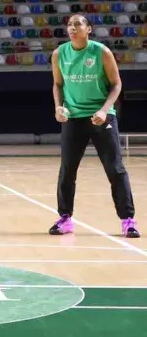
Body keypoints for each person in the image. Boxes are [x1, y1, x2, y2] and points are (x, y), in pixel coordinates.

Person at [50, 14, 139, 238]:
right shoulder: (59, 54)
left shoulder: (101, 52)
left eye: (78, 24)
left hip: (101, 116)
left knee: (115, 169)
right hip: (74, 117)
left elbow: (117, 84)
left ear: (88, 29)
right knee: (67, 170)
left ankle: (128, 220)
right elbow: (58, 84)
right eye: (69, 25)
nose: (72, 28)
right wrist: (58, 107)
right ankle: (65, 219)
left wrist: (104, 110)